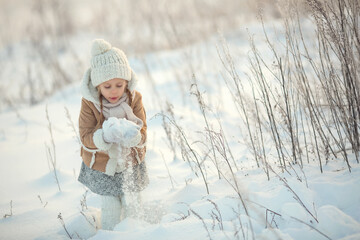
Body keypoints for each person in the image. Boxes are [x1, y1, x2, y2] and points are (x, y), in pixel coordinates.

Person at [77, 39, 148, 230]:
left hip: (129, 163)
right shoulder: (89, 103)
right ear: (98, 85)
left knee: (132, 203)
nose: (114, 91)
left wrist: (133, 135)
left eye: (119, 84)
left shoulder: (135, 98)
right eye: (107, 87)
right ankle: (110, 234)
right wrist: (104, 137)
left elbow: (143, 133)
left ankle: (137, 232)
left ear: (127, 81)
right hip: (103, 165)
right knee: (110, 207)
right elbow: (85, 137)